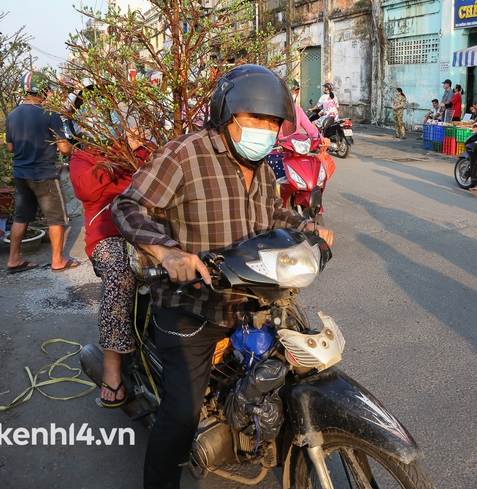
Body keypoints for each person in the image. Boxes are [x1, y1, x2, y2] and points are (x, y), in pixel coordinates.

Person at [112, 65, 333, 489]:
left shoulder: (263, 167)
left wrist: (309, 228)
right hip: (192, 305)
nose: (264, 130)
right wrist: (166, 250)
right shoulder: (185, 154)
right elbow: (129, 206)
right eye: (254, 119)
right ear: (226, 115)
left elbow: (272, 214)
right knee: (180, 415)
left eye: (272, 123)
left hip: (252, 299)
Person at [70, 134, 151, 407]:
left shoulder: (147, 147)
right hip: (109, 235)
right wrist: (120, 152)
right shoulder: (85, 155)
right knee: (119, 272)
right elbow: (84, 189)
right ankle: (112, 362)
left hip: (151, 228)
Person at [5, 72, 78, 273]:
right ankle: (57, 260)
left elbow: (10, 148)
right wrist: (70, 145)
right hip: (44, 175)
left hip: (20, 174)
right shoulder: (49, 114)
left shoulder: (12, 115)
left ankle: (13, 259)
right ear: (44, 91)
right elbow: (64, 148)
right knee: (56, 218)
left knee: (21, 217)